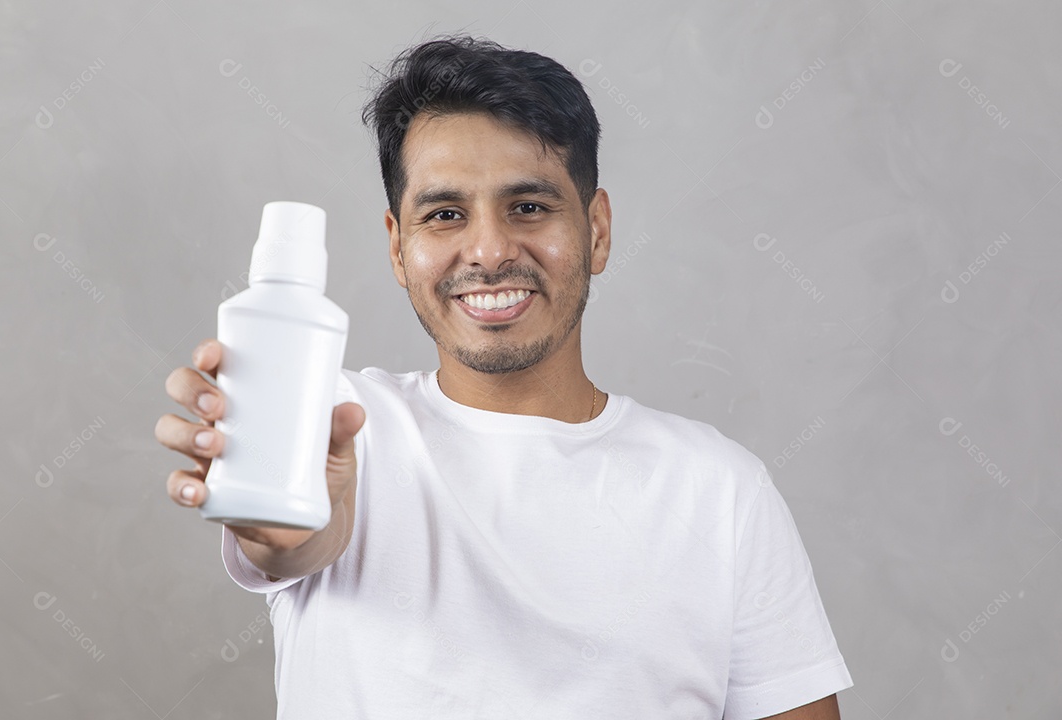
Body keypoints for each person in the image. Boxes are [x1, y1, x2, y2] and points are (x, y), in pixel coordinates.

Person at [155, 34, 853, 719]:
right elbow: (290, 535)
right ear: (399, 248)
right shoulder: (337, 422)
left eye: (529, 207)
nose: (488, 251)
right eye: (446, 214)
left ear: (598, 230)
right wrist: (275, 517)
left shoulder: (720, 491)